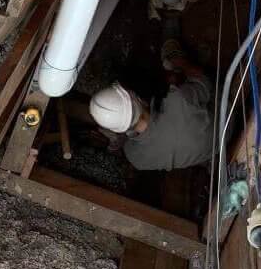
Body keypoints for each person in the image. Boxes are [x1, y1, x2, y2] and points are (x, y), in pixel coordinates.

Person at [89, 39, 214, 171]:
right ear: (138, 99)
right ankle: (178, 59)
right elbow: (205, 84)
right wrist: (178, 66)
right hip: (226, 120)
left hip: (210, 150)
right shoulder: (175, 99)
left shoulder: (136, 158)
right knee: (194, 81)